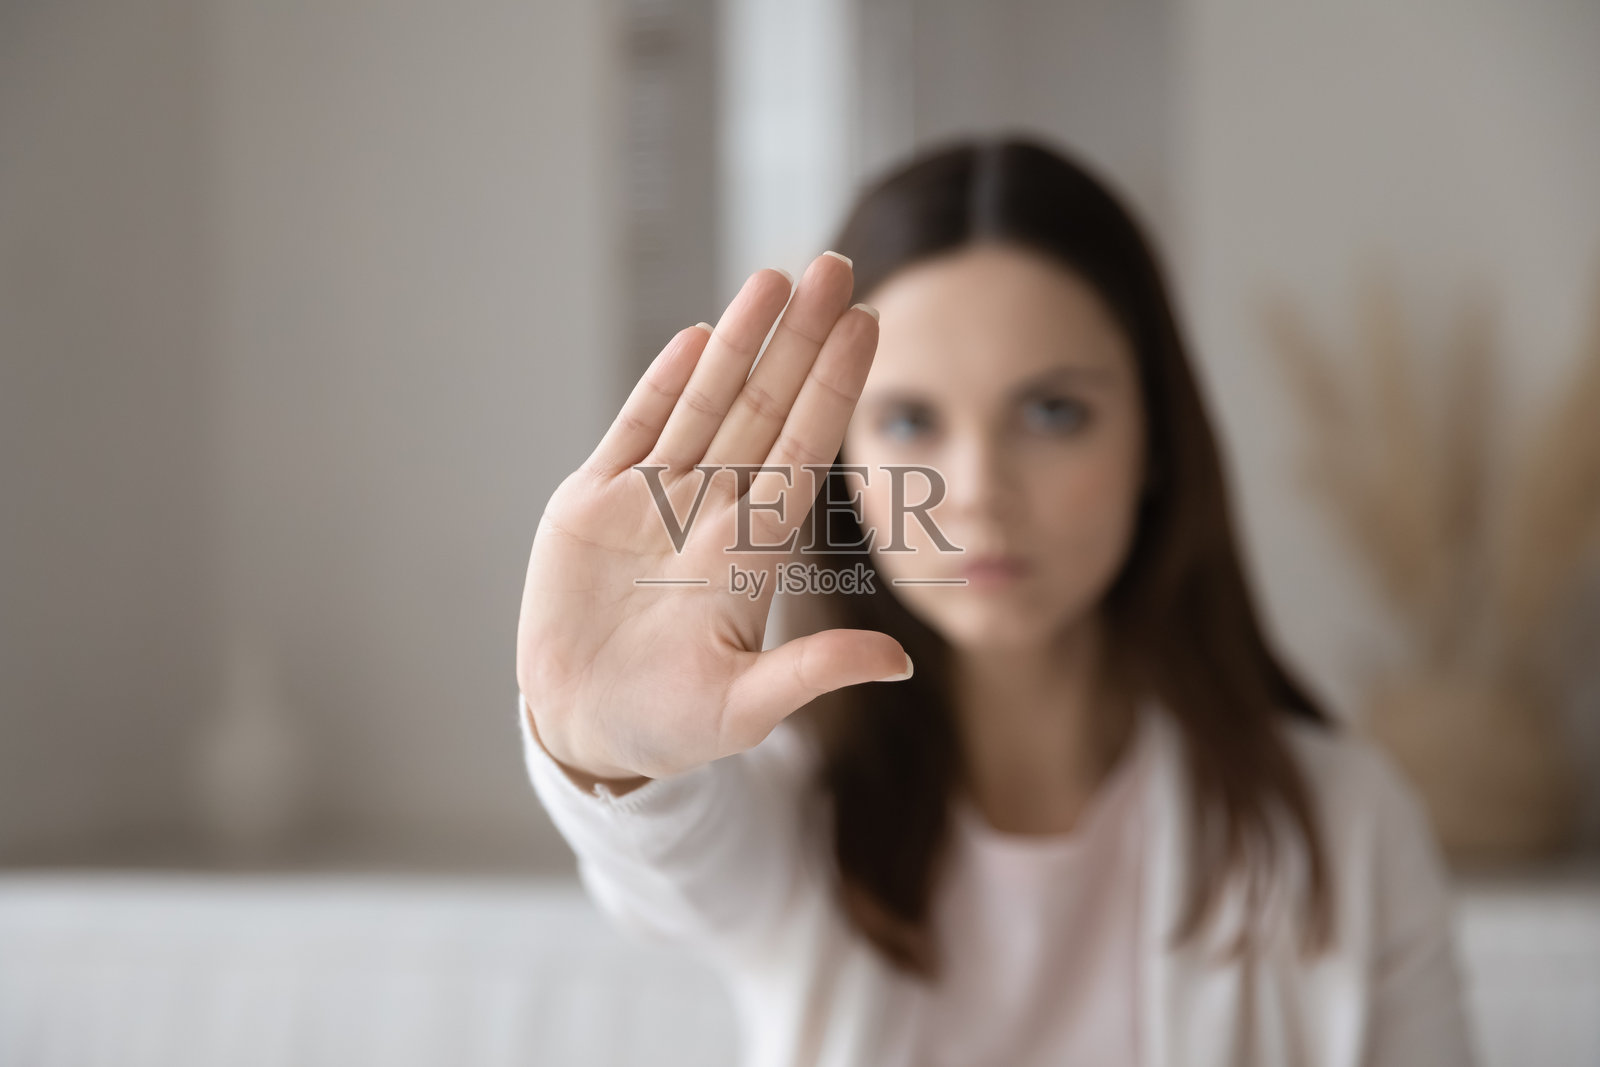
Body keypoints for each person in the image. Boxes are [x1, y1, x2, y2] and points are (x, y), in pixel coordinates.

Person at [513, 135, 1479, 1067]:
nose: (978, 487)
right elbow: (669, 868)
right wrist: (604, 748)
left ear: (1154, 439)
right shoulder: (791, 806)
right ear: (844, 466)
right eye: (909, 419)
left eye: (1054, 411)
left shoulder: (1350, 827)